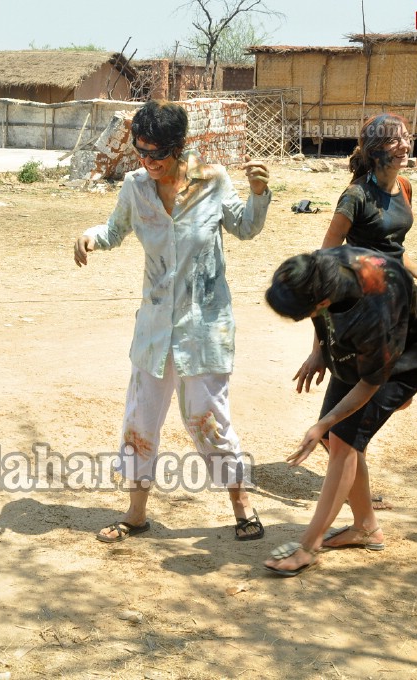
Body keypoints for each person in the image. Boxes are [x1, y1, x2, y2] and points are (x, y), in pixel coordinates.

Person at [74, 99, 271, 544]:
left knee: (208, 417)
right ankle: (136, 513)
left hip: (205, 328)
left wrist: (259, 195)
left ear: (179, 148)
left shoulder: (213, 182)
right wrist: (90, 238)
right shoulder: (135, 187)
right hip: (154, 331)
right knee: (140, 421)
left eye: (157, 154)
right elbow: (113, 230)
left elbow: (245, 228)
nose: (148, 162)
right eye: (141, 152)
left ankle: (243, 506)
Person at [262, 246, 417, 577]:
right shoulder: (319, 268)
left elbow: (370, 383)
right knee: (336, 441)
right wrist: (319, 351)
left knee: (341, 440)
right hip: (350, 352)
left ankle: (308, 548)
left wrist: (324, 424)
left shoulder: (377, 305)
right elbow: (318, 313)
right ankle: (365, 528)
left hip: (402, 360)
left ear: (323, 301)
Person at [316, 112, 417, 510]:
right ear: (375, 151)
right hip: (364, 309)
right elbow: (327, 259)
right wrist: (321, 343)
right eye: (394, 141)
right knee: (340, 428)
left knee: (352, 419)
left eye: (407, 138)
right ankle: (360, 498)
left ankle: (359, 499)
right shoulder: (355, 197)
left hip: (399, 305)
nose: (405, 146)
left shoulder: (404, 187)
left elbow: (393, 245)